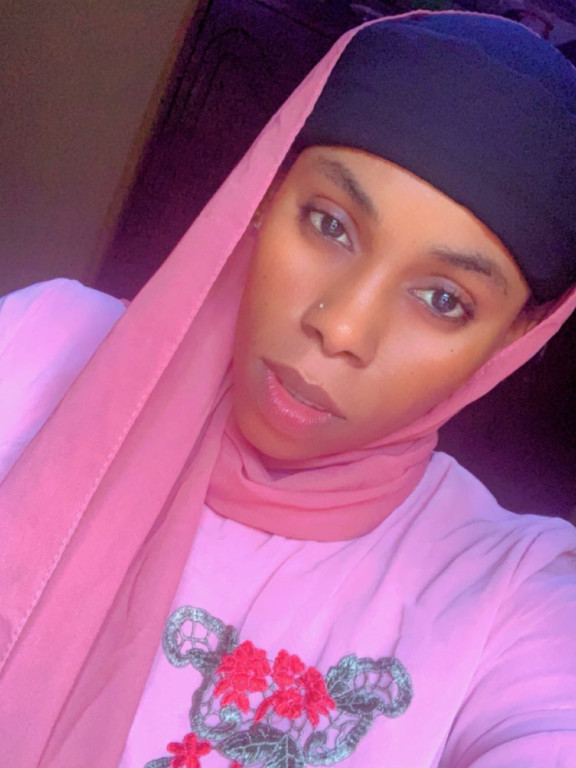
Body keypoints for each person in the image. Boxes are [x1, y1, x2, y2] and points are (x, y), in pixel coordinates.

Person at [1, 10, 575, 768]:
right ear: (267, 193)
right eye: (330, 225)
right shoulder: (38, 342)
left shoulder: (510, 593)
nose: (341, 327)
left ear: (513, 341)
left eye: (443, 300)